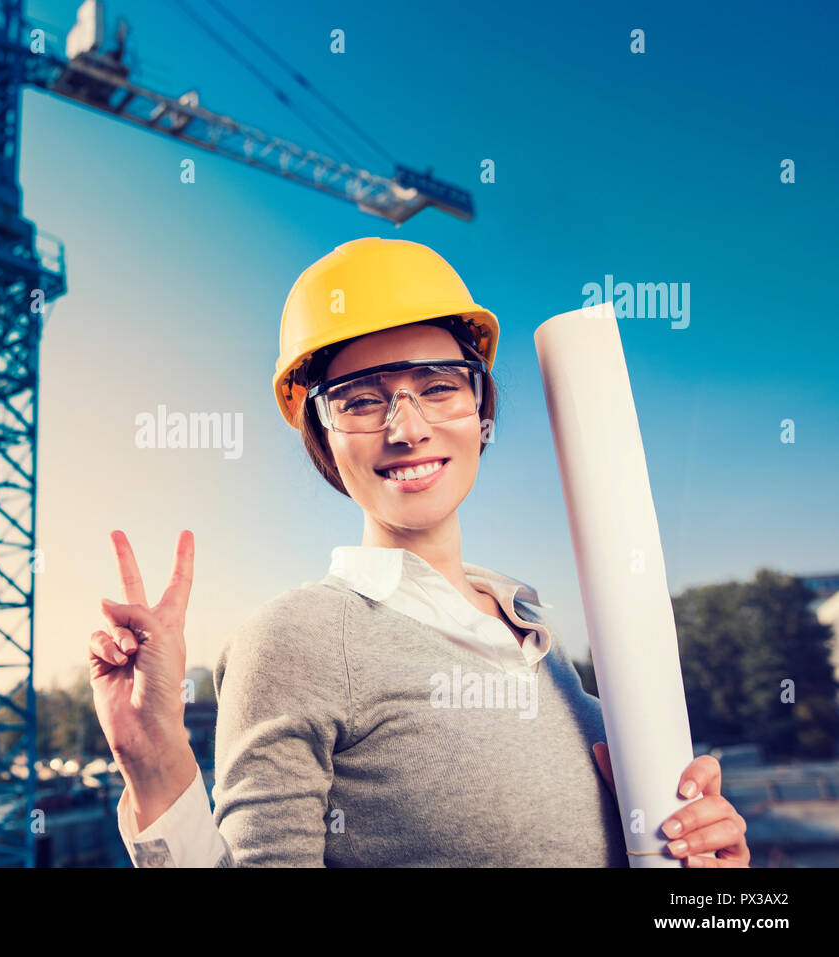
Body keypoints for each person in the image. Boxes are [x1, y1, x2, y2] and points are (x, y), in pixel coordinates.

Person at [88, 238, 750, 867]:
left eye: (438, 387)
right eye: (361, 400)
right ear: (325, 438)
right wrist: (156, 764)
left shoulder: (535, 634)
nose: (407, 428)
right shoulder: (297, 640)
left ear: (479, 405)